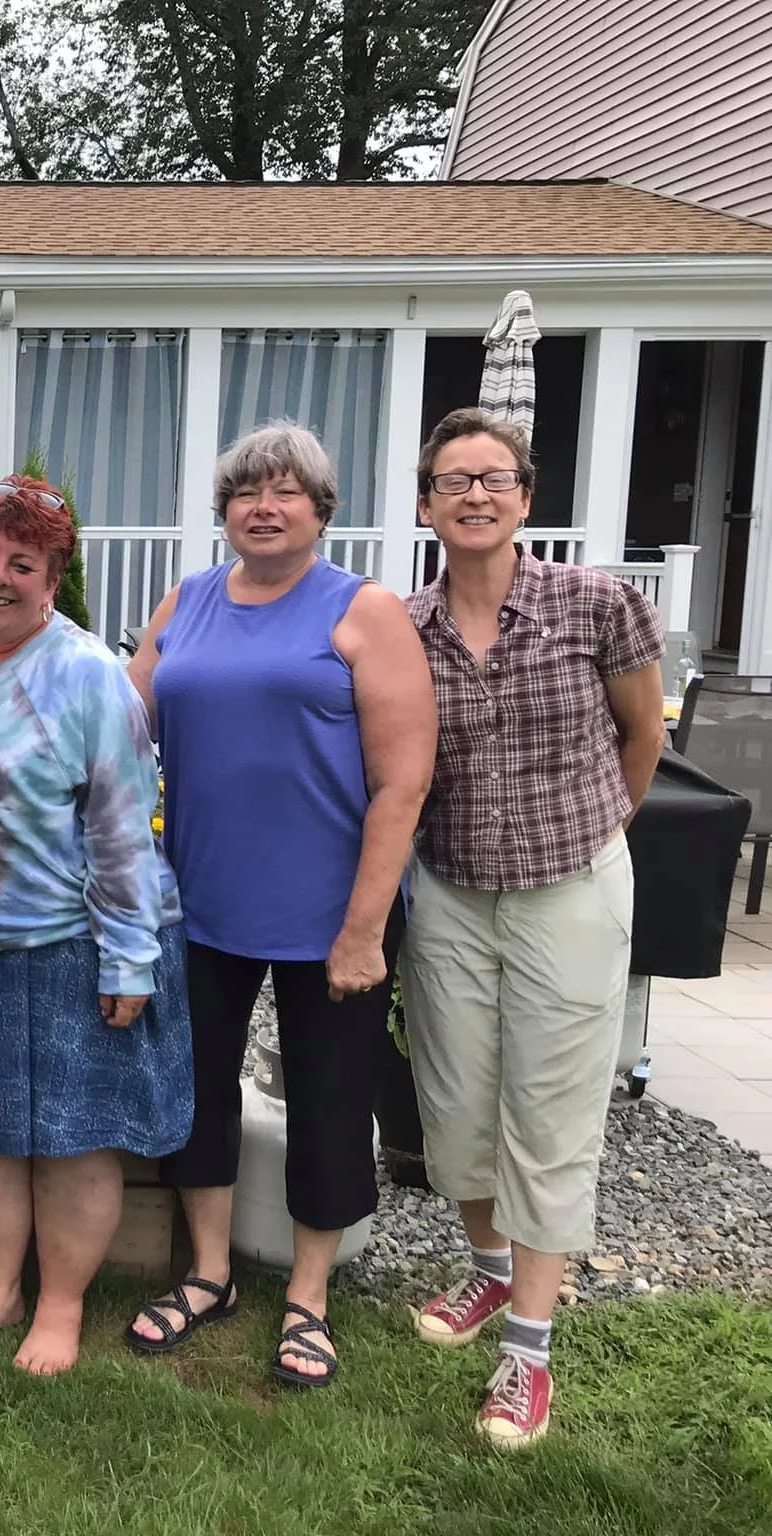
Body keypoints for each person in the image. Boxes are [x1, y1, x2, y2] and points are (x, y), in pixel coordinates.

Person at [125, 423, 435, 1387]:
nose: (264, 505)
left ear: (323, 510)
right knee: (198, 1092)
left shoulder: (363, 610)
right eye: (245, 491)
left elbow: (403, 783)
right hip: (199, 905)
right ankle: (209, 1272)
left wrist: (363, 927)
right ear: (222, 511)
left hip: (328, 916)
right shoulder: (186, 602)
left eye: (287, 490)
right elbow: (120, 734)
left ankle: (309, 1296)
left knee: (332, 1103)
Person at [0, 477, 192, 1375]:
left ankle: (59, 1306)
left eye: (26, 563)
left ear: (55, 579)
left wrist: (130, 958)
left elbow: (126, 829)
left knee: (71, 1139)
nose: (1, 577)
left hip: (69, 947)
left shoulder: (90, 676)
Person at [403, 408, 664, 1448]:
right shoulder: (402, 626)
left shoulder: (594, 602)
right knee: (458, 1104)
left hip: (569, 887)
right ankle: (484, 1272)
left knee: (549, 1114)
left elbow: (642, 733)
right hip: (453, 894)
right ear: (424, 505)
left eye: (492, 478)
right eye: (451, 480)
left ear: (524, 497)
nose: (473, 494)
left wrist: (600, 830)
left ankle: (527, 1349)